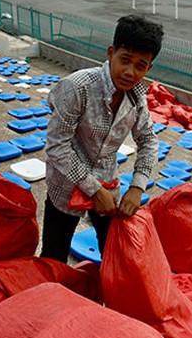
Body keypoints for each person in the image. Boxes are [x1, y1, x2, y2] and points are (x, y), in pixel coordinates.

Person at [40, 14, 164, 263]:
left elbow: (148, 140)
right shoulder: (77, 87)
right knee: (53, 257)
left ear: (148, 68)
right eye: (125, 60)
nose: (129, 72)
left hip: (108, 184)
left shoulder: (137, 98)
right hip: (65, 186)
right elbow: (57, 146)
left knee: (115, 255)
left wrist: (137, 187)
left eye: (140, 66)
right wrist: (94, 190)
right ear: (110, 53)